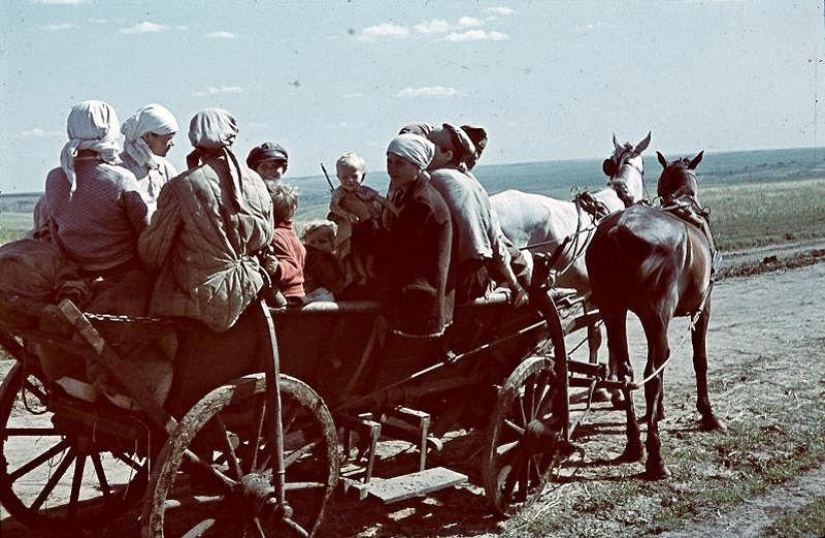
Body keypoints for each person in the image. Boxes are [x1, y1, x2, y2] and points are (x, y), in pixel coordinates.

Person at [139, 108, 274, 413]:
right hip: (250, 291)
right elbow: (265, 238)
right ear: (232, 136)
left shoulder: (181, 186)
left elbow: (152, 253)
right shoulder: (256, 183)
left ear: (193, 139)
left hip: (198, 299)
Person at [44, 100, 149, 279]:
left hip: (76, 271)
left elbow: (55, 229)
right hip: (122, 270)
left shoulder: (53, 178)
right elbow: (144, 230)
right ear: (109, 130)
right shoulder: (121, 178)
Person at [426, 123, 527, 306]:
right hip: (477, 275)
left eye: (429, 145)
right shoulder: (472, 183)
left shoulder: (432, 178)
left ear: (448, 155)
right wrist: (516, 285)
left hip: (457, 278)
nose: (423, 149)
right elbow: (496, 242)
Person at [383, 133, 454, 338]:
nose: (392, 169)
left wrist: (364, 219)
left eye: (400, 163)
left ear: (417, 165)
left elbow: (397, 248)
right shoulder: (408, 194)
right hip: (415, 291)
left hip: (421, 298)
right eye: (389, 161)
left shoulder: (422, 203)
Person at [328, 152, 395, 287]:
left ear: (363, 175)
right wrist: (346, 215)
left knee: (372, 249)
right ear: (338, 177)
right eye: (345, 177)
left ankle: (369, 269)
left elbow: (383, 201)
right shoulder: (339, 192)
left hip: (368, 226)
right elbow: (333, 206)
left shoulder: (366, 191)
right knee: (354, 252)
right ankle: (361, 274)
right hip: (353, 230)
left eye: (354, 176)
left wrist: (396, 211)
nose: (350, 180)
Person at [120, 103, 180, 216]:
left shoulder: (167, 170)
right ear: (148, 136)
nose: (172, 144)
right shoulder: (118, 168)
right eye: (168, 139)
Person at [261, 182, 306, 305]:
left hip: (285, 295)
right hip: (296, 293)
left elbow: (292, 265)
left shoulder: (275, 236)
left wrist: (277, 268)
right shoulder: (290, 233)